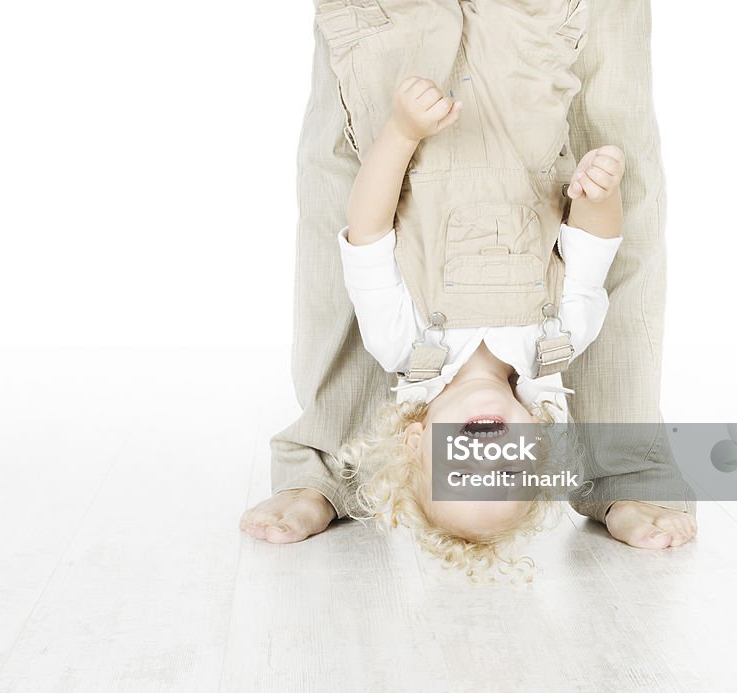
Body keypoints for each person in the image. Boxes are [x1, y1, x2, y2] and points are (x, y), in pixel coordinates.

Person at [241, 0, 697, 551]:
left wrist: (404, 131)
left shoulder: (403, 343)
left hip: (419, 129)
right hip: (526, 88)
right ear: (541, 449)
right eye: (507, 473)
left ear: (414, 444)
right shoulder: (559, 341)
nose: (484, 456)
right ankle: (625, 467)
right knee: (605, 111)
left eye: (460, 470)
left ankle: (339, 460)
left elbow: (364, 229)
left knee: (364, 106)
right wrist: (598, 193)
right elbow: (597, 246)